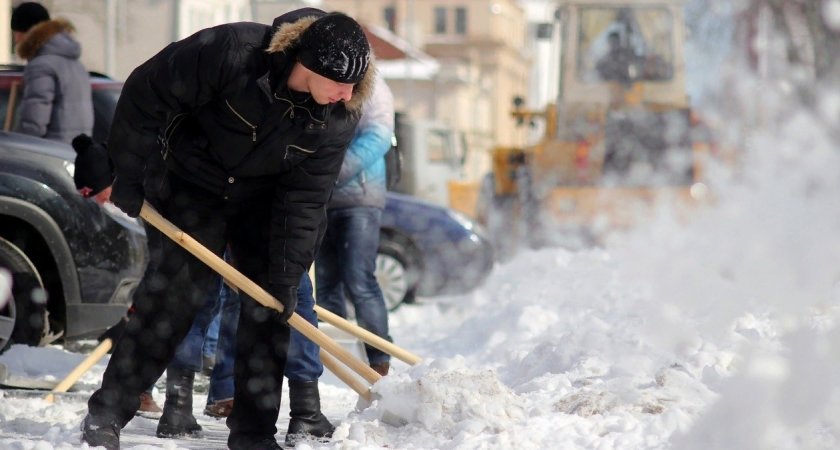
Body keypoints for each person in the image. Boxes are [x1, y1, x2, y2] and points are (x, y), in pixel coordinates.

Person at [80, 7, 373, 450]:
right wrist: (129, 174)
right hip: (189, 183)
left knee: (270, 308)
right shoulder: (231, 52)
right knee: (172, 298)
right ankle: (107, 413)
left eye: (354, 85)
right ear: (307, 64)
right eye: (339, 83)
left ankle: (254, 435)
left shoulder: (337, 115)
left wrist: (288, 275)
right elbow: (147, 92)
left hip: (262, 201)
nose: (346, 94)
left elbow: (307, 199)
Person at [315, 73, 395, 376]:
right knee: (326, 283)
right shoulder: (322, 81)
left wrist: (332, 171)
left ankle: (379, 360)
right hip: (322, 199)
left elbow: (379, 136)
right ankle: (336, 358)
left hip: (360, 198)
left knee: (360, 280)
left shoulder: (373, 87)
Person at [11, 2, 93, 143]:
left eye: (16, 33)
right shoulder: (76, 64)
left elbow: (34, 124)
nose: (16, 40)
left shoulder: (41, 66)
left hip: (49, 155)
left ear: (24, 33)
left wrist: (15, 147)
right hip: (75, 153)